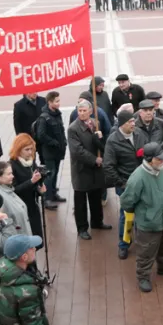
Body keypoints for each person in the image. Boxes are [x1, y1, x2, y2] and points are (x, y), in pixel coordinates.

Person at [120, 142, 163, 292]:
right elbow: (127, 201)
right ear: (149, 159)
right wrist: (145, 214)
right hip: (148, 223)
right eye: (159, 159)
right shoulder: (138, 177)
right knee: (145, 252)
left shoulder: (160, 170)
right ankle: (143, 277)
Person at [104, 110, 150, 260]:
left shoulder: (139, 134)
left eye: (133, 121)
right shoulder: (113, 141)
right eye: (130, 122)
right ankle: (124, 243)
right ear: (122, 124)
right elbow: (109, 166)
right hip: (126, 185)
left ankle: (143, 241)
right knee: (127, 216)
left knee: (143, 213)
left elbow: (149, 151)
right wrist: (122, 184)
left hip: (143, 182)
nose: (133, 124)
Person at [68, 99, 111, 240]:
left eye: (84, 110)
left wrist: (100, 138)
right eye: (79, 111)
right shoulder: (73, 128)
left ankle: (97, 222)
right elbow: (77, 151)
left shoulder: (95, 123)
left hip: (95, 169)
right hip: (81, 169)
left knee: (95, 196)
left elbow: (101, 144)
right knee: (80, 201)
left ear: (91, 111)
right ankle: (82, 228)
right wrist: (94, 159)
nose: (82, 113)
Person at [9, 133, 50, 242]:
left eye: (32, 149)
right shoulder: (12, 166)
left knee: (35, 241)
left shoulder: (31, 163)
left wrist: (40, 189)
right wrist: (31, 182)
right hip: (20, 209)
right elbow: (13, 190)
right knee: (25, 242)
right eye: (26, 149)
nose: (30, 153)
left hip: (32, 207)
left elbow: (36, 184)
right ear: (18, 149)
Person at [35, 91, 67, 205]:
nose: (59, 103)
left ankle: (53, 194)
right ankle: (46, 198)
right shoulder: (44, 117)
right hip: (49, 151)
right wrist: (53, 142)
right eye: (56, 101)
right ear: (50, 102)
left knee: (56, 172)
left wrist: (63, 142)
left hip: (58, 151)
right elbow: (41, 135)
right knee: (50, 174)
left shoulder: (57, 114)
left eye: (59, 101)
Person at [0, 161, 32, 238]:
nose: (13, 176)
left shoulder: (7, 189)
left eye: (12, 173)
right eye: (9, 174)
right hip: (15, 243)